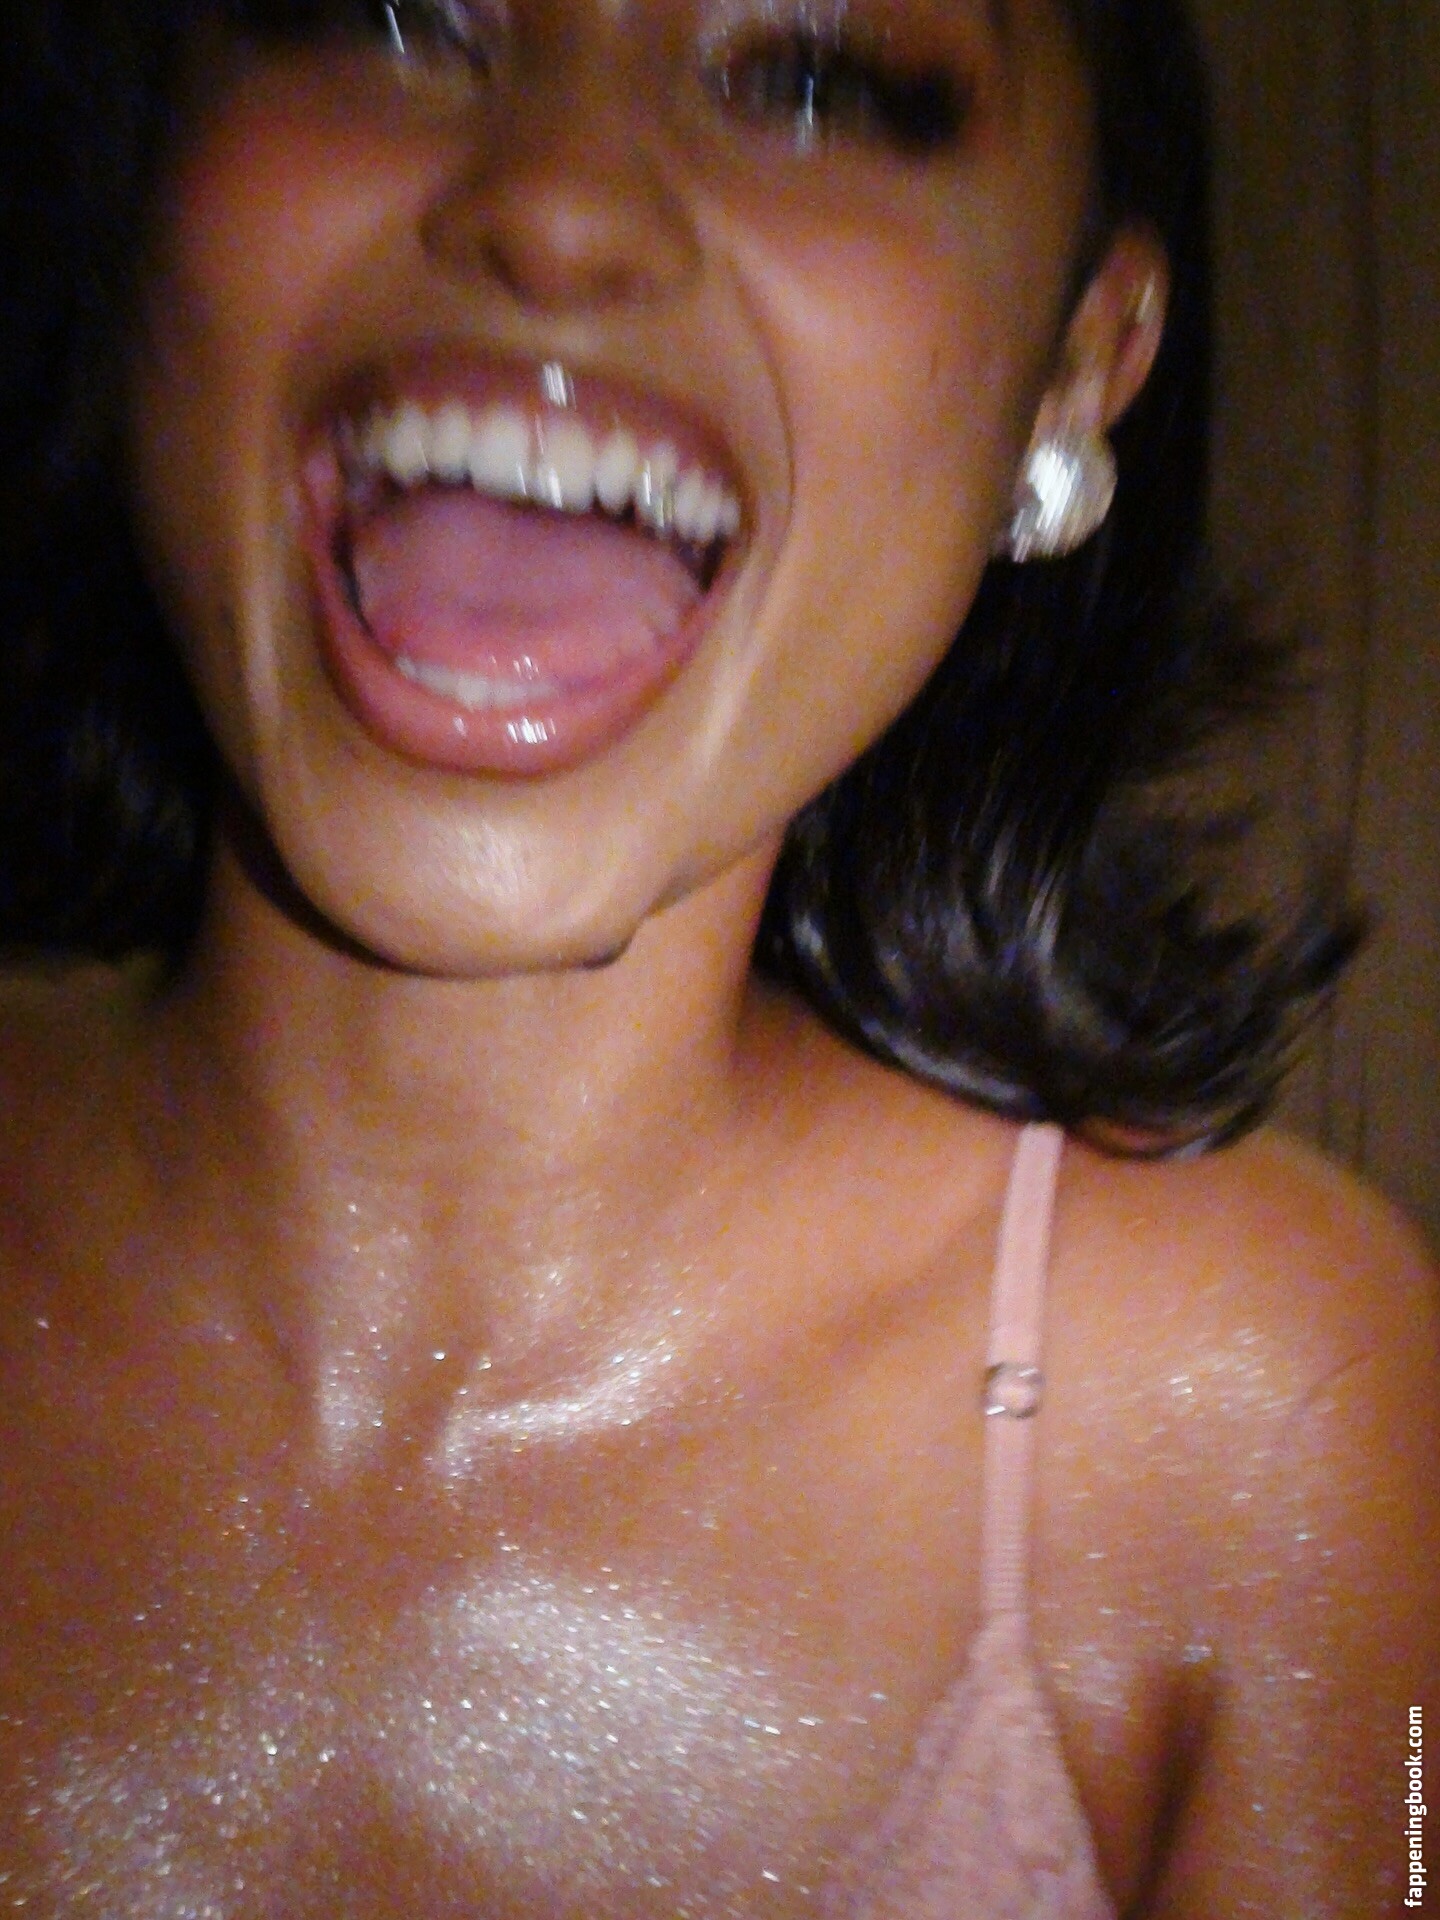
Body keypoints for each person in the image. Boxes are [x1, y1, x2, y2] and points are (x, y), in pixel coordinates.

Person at [1, 0, 1435, 1912]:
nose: (563, 206)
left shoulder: (1267, 1428)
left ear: (1079, 363)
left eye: (817, 82)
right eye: (400, 11)